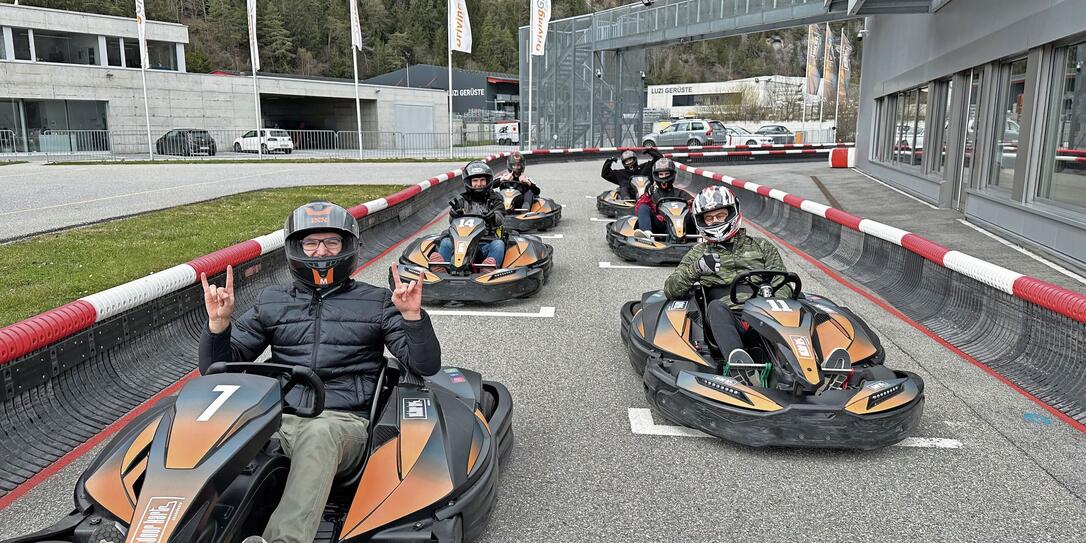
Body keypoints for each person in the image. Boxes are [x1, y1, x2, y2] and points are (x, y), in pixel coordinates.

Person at [199, 201, 441, 543]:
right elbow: (215, 371)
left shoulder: (377, 301)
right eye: (311, 243)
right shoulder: (273, 300)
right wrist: (219, 325)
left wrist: (413, 317)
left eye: (331, 242)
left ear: (348, 247)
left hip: (343, 423)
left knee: (318, 435)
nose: (320, 251)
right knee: (206, 427)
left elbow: (425, 365)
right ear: (296, 248)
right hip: (277, 418)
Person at [663, 185, 790, 366]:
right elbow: (670, 288)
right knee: (716, 307)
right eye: (708, 218)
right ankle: (739, 365)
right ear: (701, 221)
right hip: (727, 320)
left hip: (764, 316)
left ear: (733, 212)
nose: (715, 221)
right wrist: (696, 269)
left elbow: (782, 281)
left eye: (720, 215)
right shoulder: (698, 253)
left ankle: (808, 367)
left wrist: (771, 301)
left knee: (798, 305)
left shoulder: (762, 246)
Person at [429, 161, 506, 273]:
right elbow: (452, 222)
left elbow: (501, 217)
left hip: (486, 242)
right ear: (468, 182)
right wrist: (454, 215)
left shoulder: (496, 199)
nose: (479, 184)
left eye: (482, 180)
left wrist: (493, 216)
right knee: (445, 242)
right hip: (461, 243)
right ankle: (441, 270)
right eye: (475, 181)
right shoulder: (461, 201)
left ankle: (488, 269)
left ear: (488, 181)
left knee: (499, 245)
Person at [632, 157, 695, 238]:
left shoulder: (681, 193)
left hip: (681, 225)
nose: (664, 177)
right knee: (643, 208)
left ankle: (700, 237)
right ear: (656, 175)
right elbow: (638, 209)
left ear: (672, 174)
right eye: (661, 174)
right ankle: (646, 235)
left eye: (666, 174)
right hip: (660, 225)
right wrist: (647, 195)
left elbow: (693, 204)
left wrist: (691, 206)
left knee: (694, 213)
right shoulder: (652, 193)